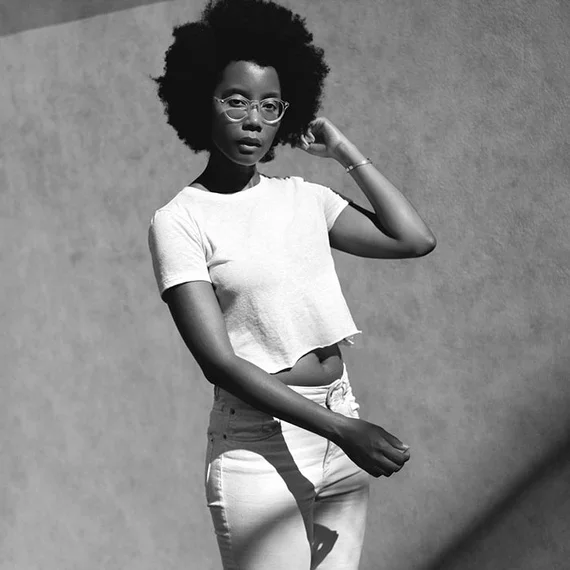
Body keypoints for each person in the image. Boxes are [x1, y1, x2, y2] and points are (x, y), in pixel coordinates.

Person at [148, 0, 436, 568]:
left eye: (271, 105)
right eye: (236, 100)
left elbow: (414, 239)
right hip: (259, 444)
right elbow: (218, 363)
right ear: (202, 100)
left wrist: (344, 151)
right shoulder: (180, 220)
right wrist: (343, 430)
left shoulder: (306, 198)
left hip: (340, 419)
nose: (254, 119)